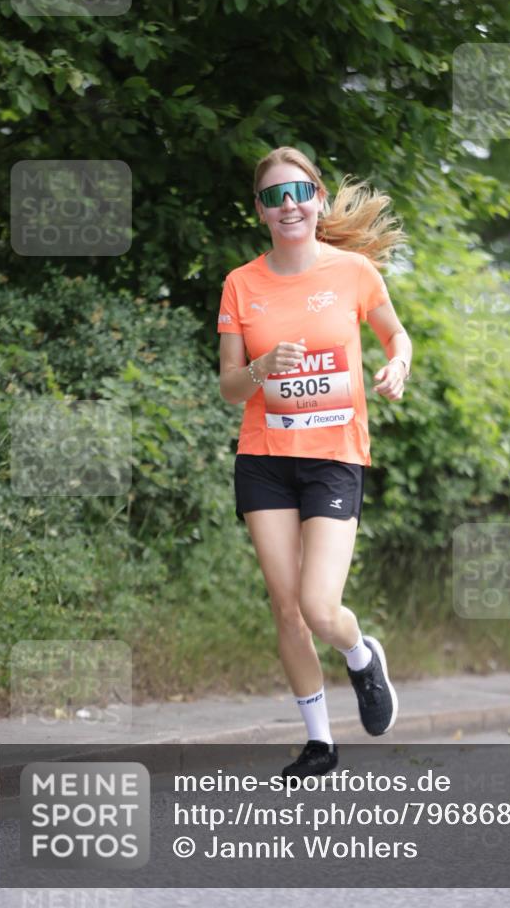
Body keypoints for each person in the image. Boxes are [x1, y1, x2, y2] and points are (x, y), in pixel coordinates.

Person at [217, 146, 412, 782]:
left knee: (319, 606)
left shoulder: (354, 272)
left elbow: (395, 334)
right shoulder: (241, 284)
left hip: (333, 458)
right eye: (274, 197)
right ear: (260, 211)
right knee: (286, 608)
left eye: (298, 192)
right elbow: (229, 387)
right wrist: (260, 368)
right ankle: (319, 743)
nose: (289, 206)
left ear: (318, 198)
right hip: (265, 460)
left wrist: (398, 365)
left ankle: (361, 656)